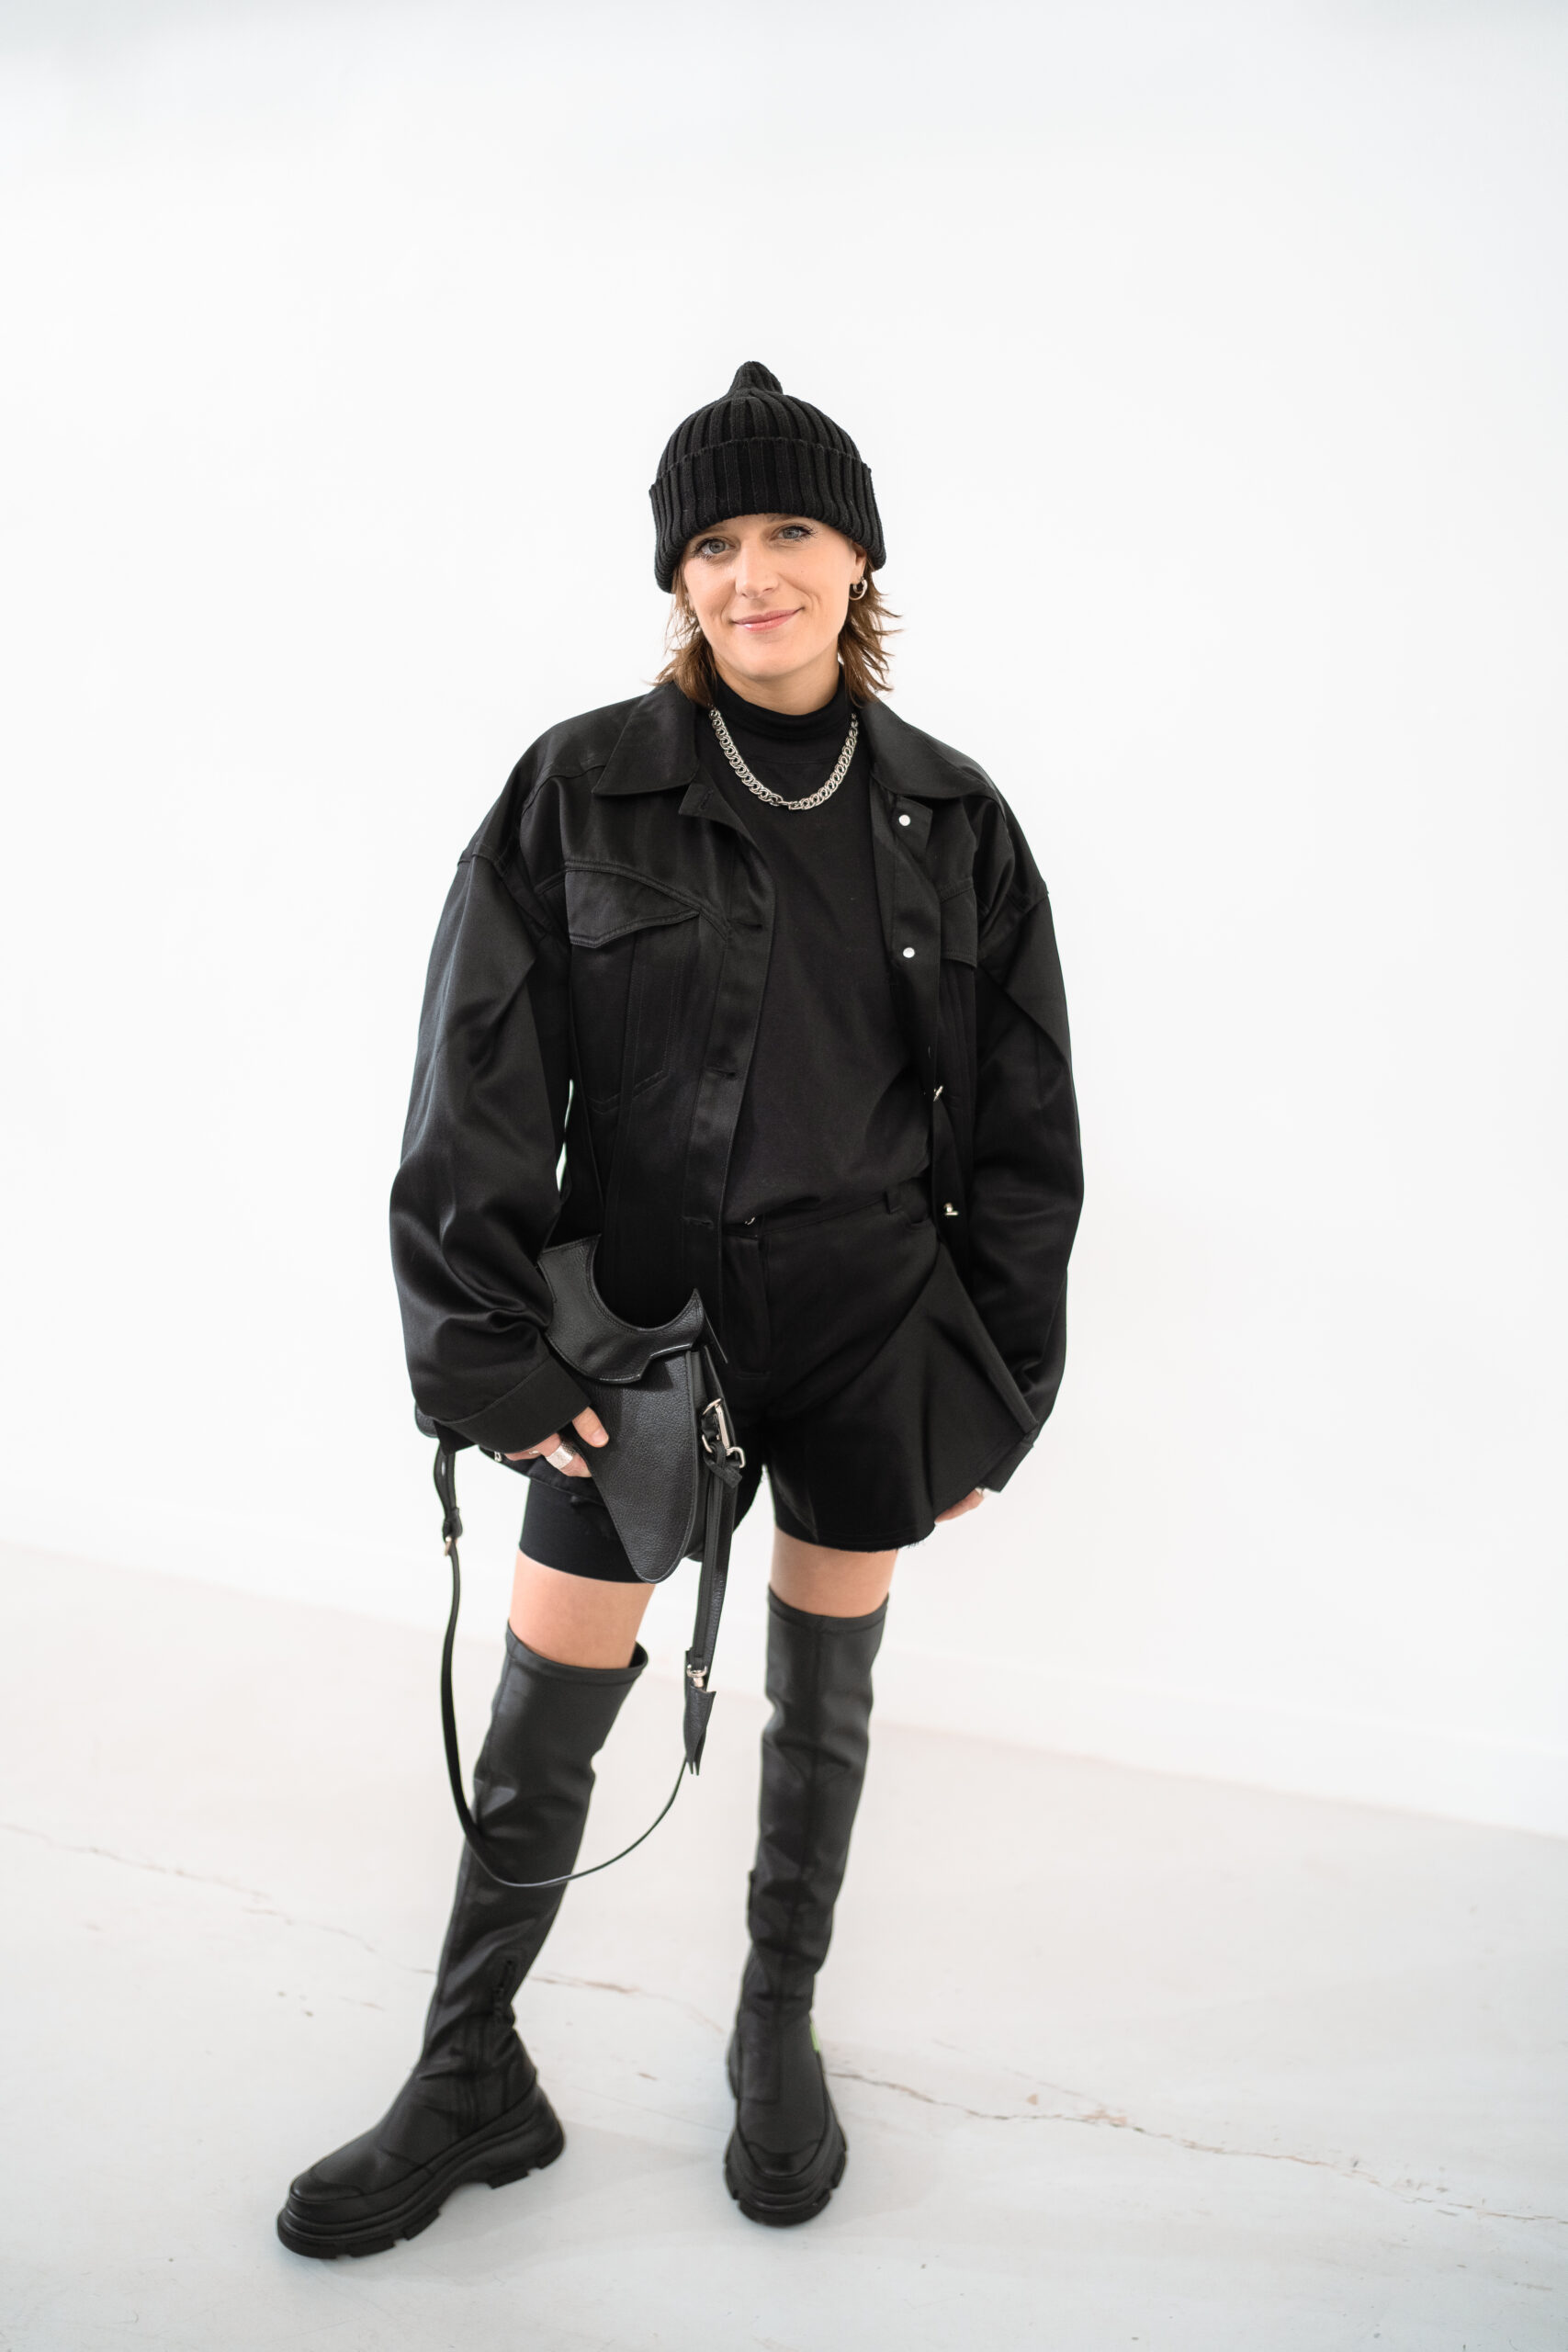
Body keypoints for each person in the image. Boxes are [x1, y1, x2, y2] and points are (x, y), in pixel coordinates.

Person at [276, 361, 1083, 2256]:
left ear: (856, 557)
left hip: (871, 1326)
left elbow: (1023, 1127)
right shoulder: (582, 785)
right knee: (543, 1711)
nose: (750, 573)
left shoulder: (952, 816)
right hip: (637, 1327)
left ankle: (772, 2022)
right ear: (676, 576)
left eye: (787, 530)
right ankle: (469, 2066)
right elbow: (475, 1079)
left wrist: (995, 1377)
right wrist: (489, 1350)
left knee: (824, 1695)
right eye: (711, 543)